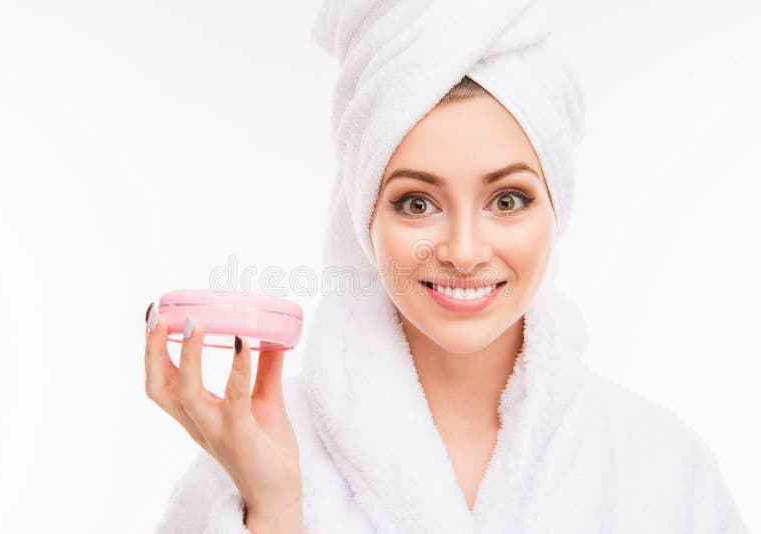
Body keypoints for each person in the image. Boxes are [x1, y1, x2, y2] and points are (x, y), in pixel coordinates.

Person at [145, 1, 749, 533]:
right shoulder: (254, 453)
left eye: (507, 200)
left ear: (556, 208)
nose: (463, 251)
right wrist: (275, 513)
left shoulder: (664, 470)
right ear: (364, 219)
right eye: (417, 202)